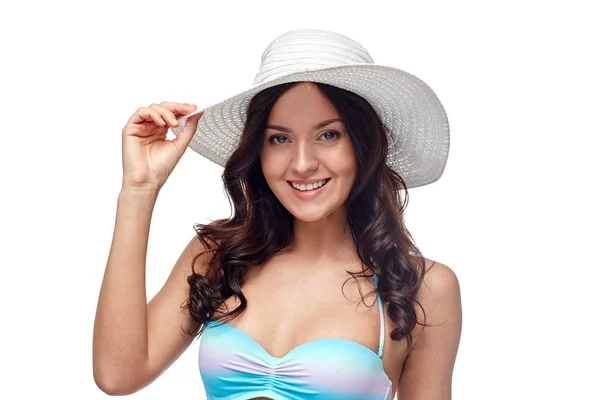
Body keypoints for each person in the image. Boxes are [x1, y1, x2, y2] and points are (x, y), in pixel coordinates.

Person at [93, 29, 462, 400]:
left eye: (329, 135)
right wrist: (139, 190)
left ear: (364, 145)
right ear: (259, 150)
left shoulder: (422, 287)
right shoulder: (218, 254)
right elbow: (118, 375)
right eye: (280, 138)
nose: (302, 164)